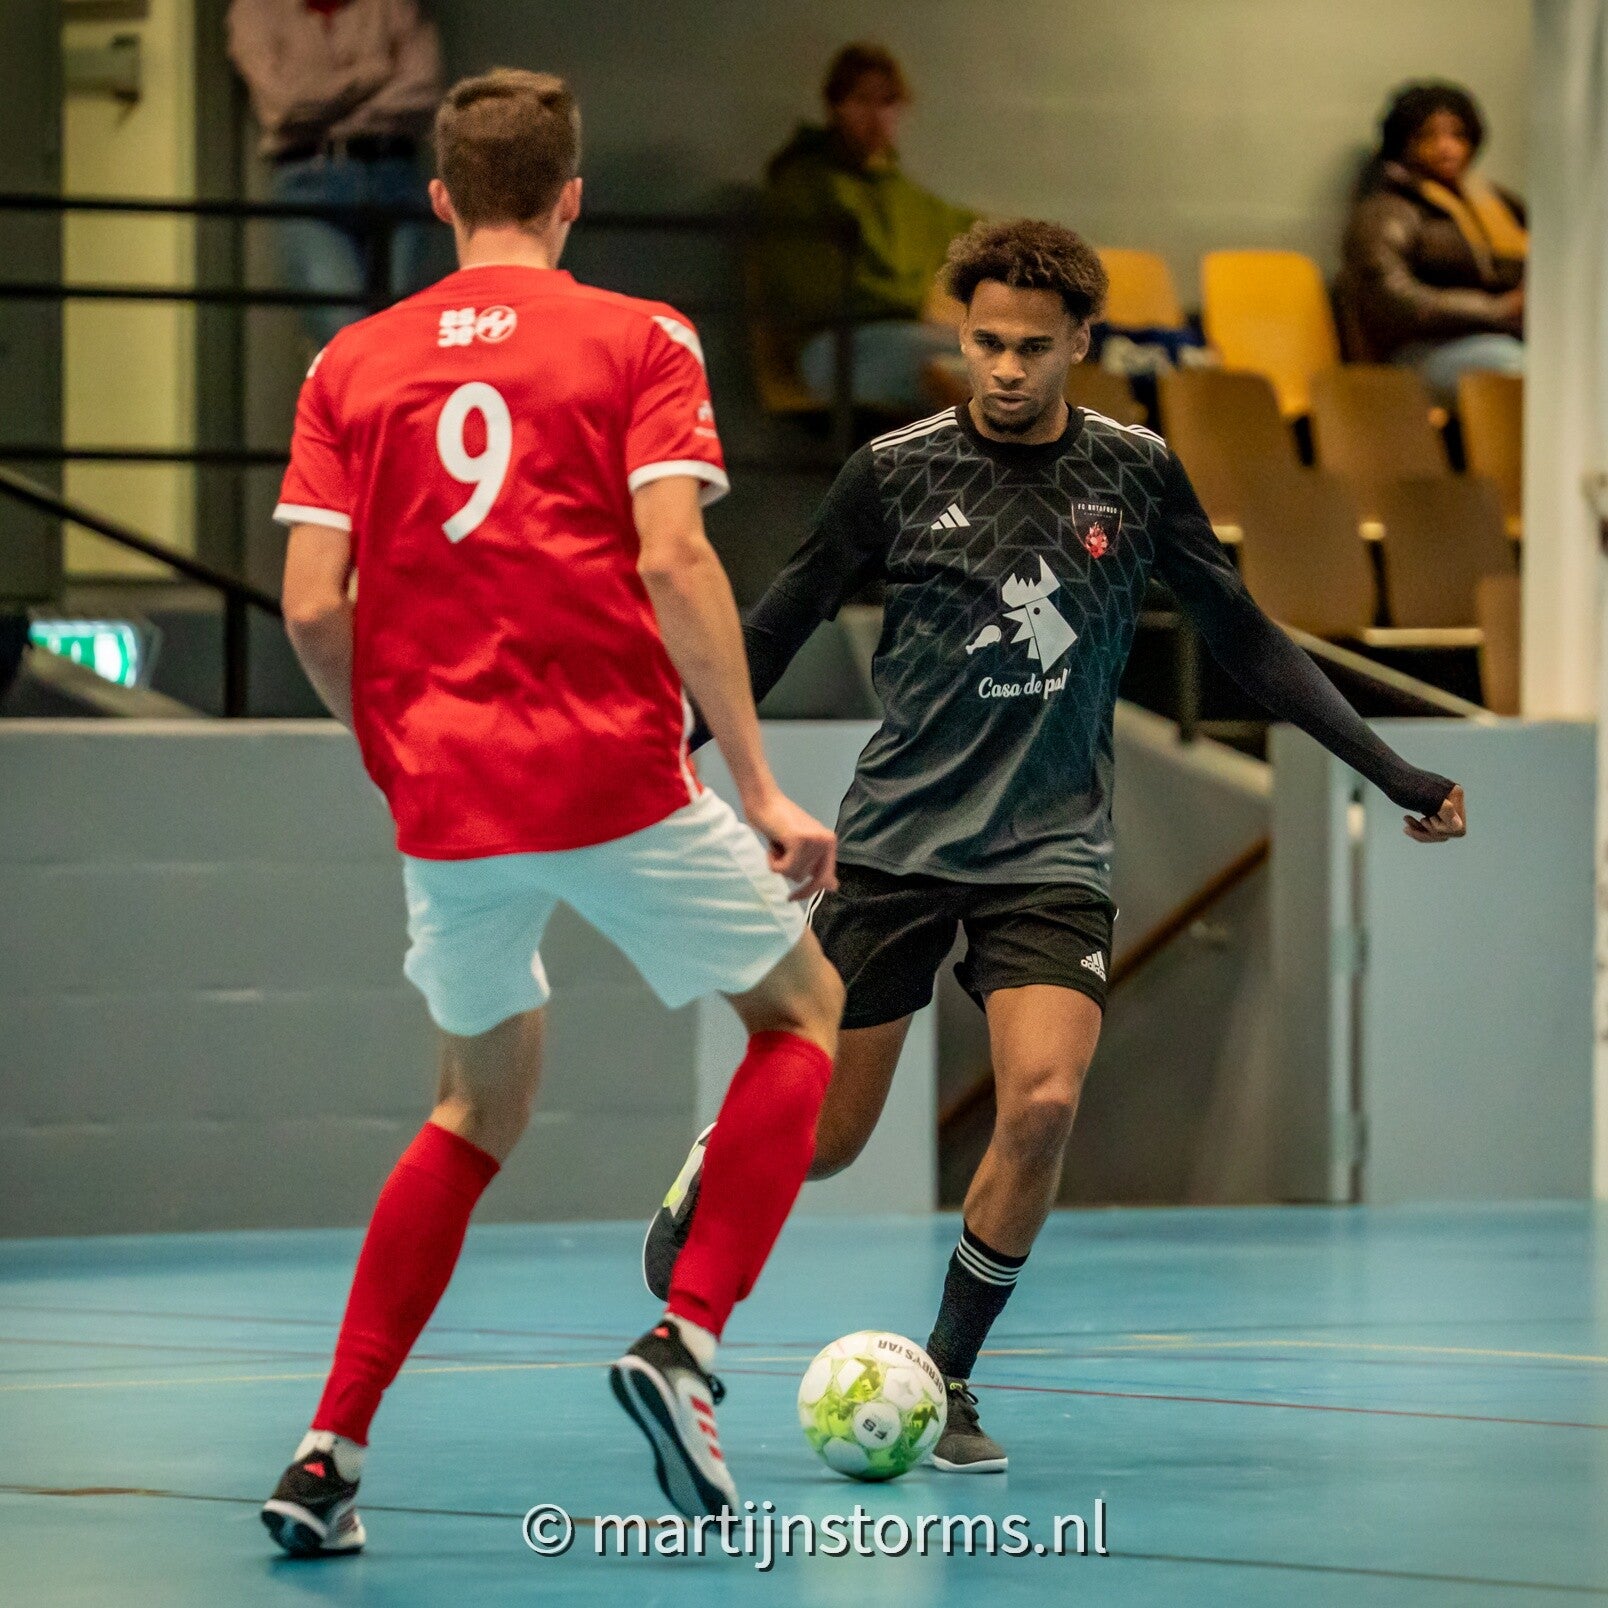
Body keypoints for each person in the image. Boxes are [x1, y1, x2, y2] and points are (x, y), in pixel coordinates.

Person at [644, 218, 1467, 1473]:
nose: (1007, 368)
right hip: (897, 843)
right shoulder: (891, 471)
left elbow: (1244, 638)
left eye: (1033, 347)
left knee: (1042, 1103)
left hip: (1051, 853)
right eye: (986, 343)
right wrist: (667, 746)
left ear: (1082, 340)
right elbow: (776, 624)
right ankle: (721, 1159)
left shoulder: (1135, 473)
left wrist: (1395, 770)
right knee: (833, 1142)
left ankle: (948, 1376)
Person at [261, 68, 846, 1551]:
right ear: (572, 196)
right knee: (801, 1013)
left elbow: (313, 606)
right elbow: (674, 561)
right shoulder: (640, 337)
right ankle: (687, 1342)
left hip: (447, 797)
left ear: (440, 198)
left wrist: (390, 748)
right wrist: (761, 784)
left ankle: (328, 1454)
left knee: (473, 1108)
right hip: (607, 768)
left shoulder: (350, 363)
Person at [760, 42, 978, 412]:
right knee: (963, 364)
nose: (875, 116)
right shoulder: (802, 185)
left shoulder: (905, 196)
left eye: (887, 102)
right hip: (834, 345)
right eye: (862, 100)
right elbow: (812, 294)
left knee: (1011, 356)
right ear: (836, 106)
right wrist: (905, 301)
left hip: (907, 338)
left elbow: (976, 230)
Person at [227, 0, 444, 345]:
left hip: (396, 177)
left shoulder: (394, 5)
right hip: (308, 183)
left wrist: (327, 108)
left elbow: (421, 90)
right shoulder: (256, 9)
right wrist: (373, 74)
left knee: (401, 331)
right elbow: (283, 104)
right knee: (343, 332)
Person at [1337, 81, 1526, 403]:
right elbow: (1394, 300)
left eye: (1457, 135)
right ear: (1403, 143)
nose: (1446, 148)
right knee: (1523, 371)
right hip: (1418, 353)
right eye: (1428, 136)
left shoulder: (1495, 203)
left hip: (1503, 336)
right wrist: (1499, 308)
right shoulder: (1387, 210)